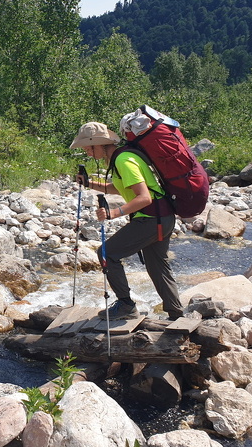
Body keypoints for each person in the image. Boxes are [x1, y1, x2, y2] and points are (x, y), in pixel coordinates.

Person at [70, 121, 183, 321]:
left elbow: (144, 197)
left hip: (150, 219)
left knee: (106, 253)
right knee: (157, 266)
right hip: (162, 219)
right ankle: (176, 314)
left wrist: (114, 213)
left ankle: (126, 306)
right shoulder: (121, 157)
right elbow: (121, 188)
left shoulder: (124, 160)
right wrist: (89, 183)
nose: (87, 153)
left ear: (100, 145)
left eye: (89, 148)